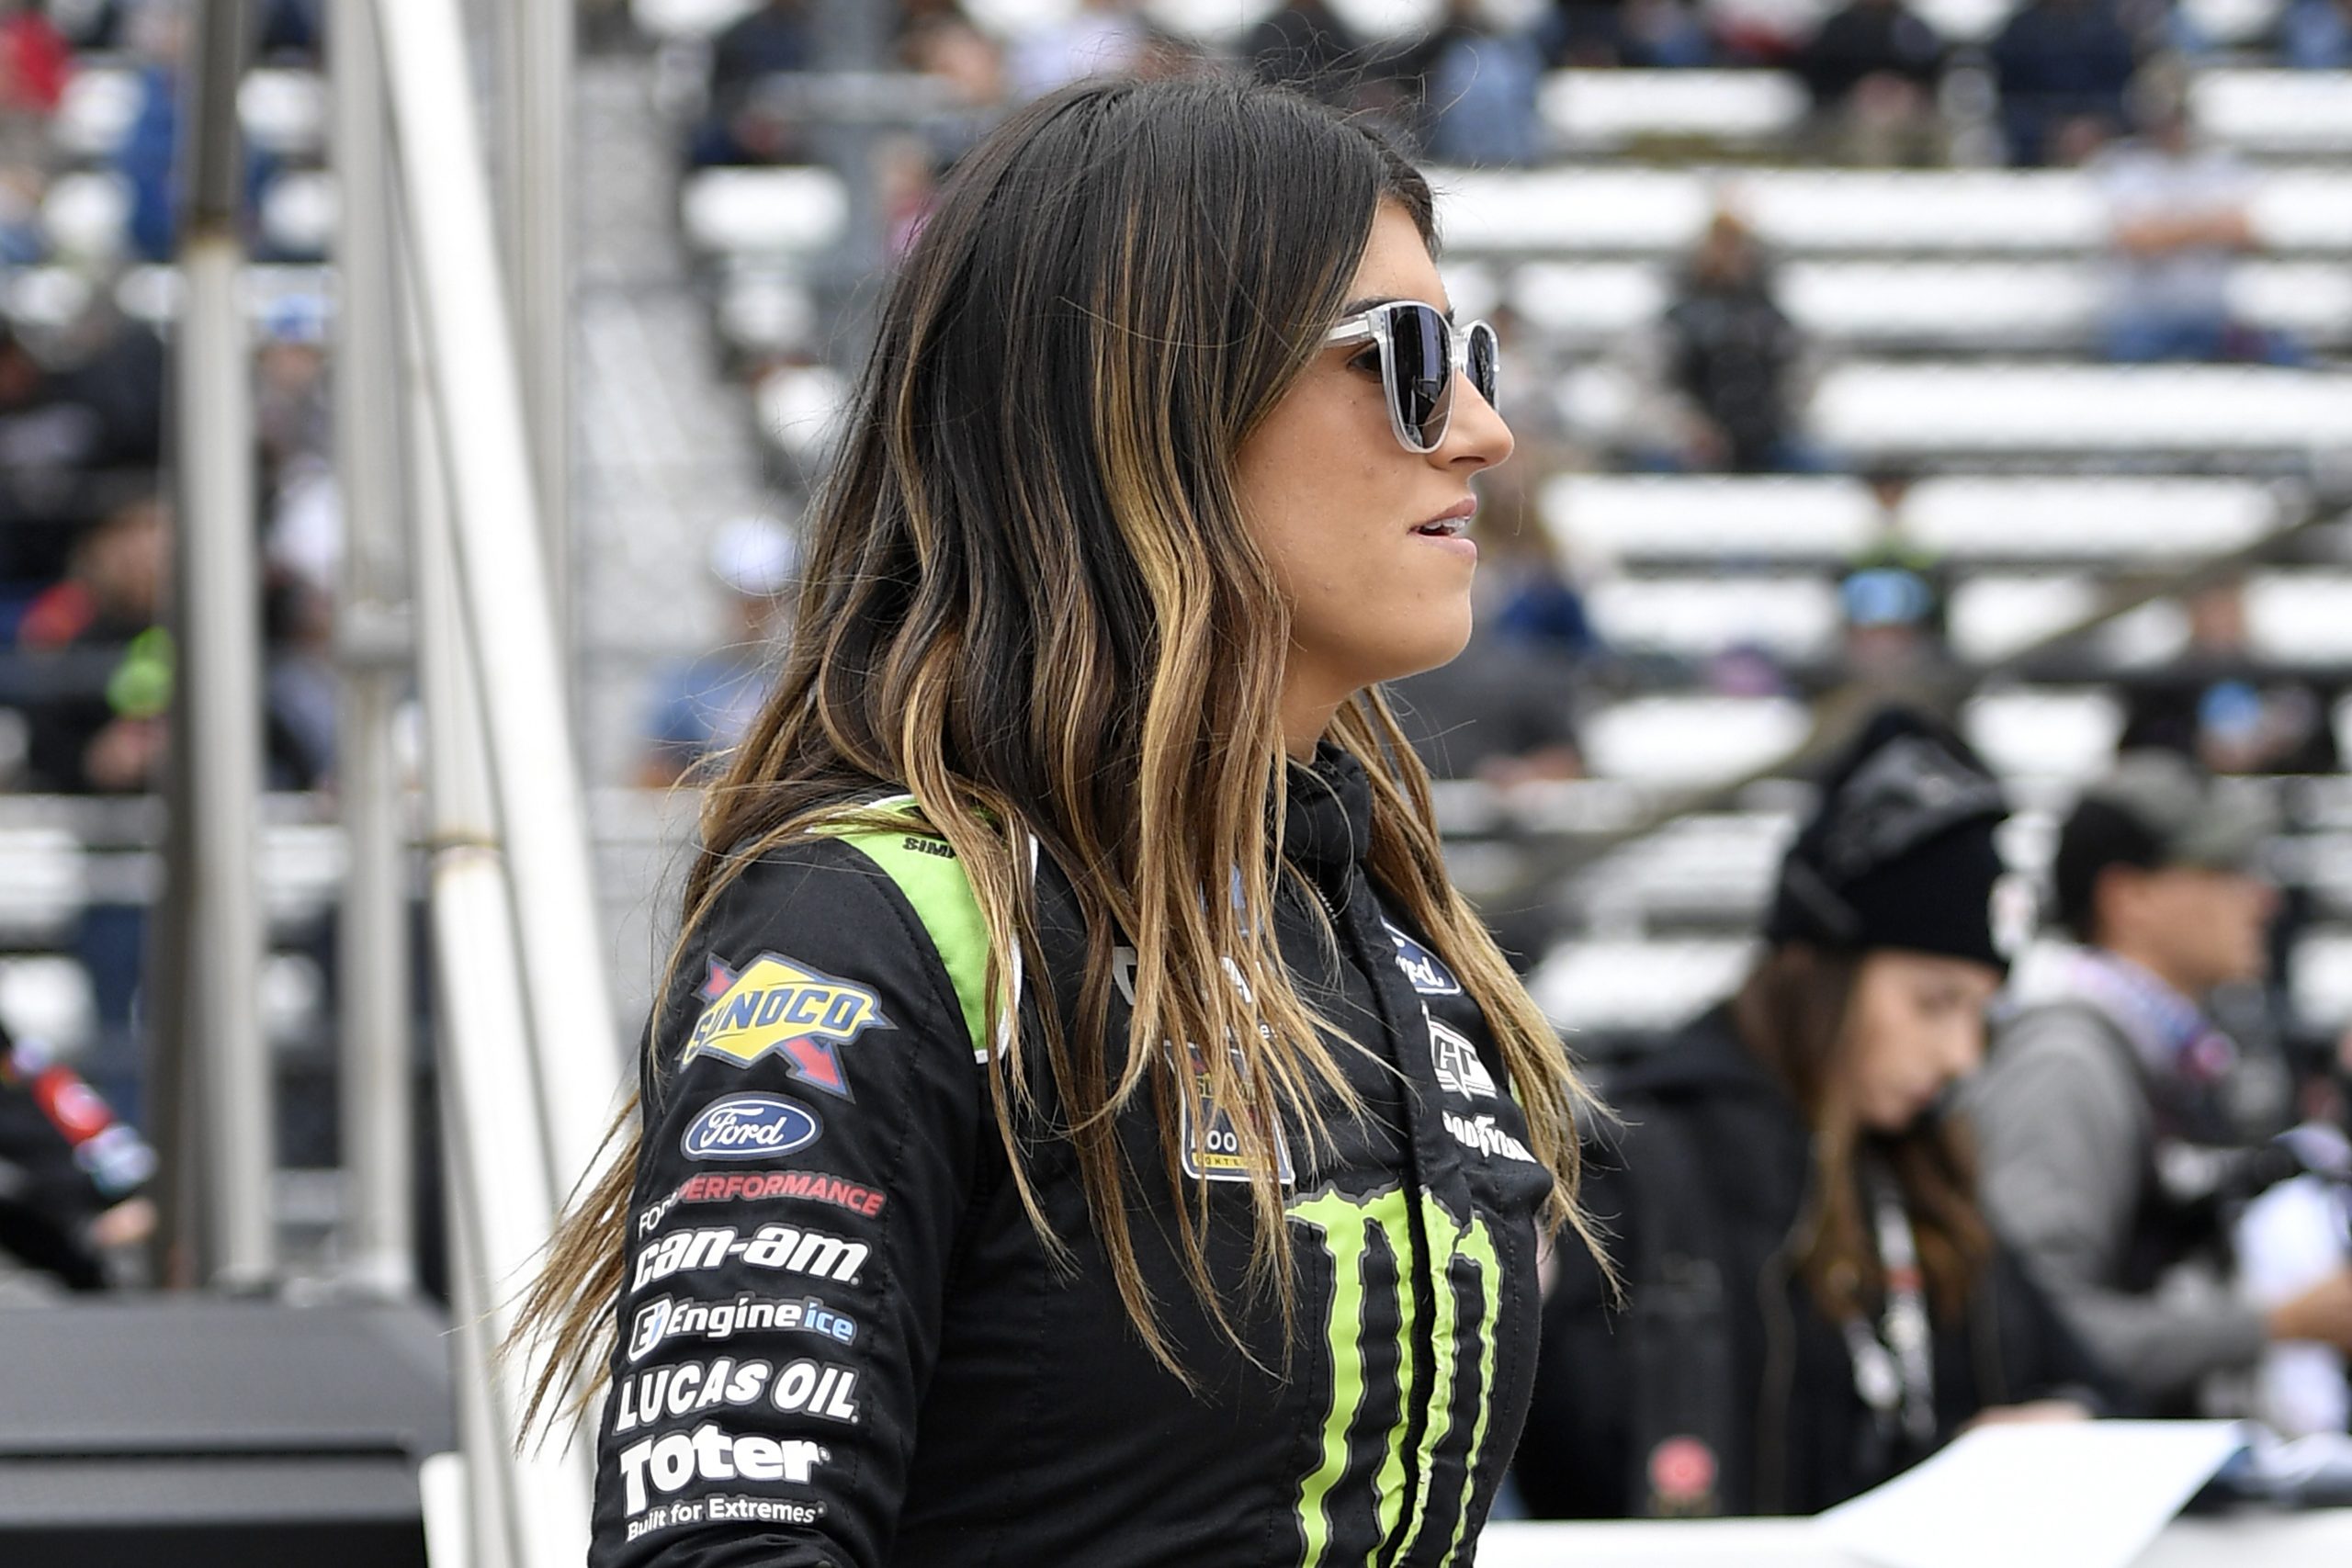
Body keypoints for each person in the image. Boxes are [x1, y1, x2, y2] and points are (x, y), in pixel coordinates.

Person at [514, 74, 1605, 1567]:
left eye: (1472, 358)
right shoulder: (876, 925)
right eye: (1408, 359)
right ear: (1153, 406)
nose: (1479, 429)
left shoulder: (1395, 941)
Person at [1516, 710, 2110, 1518]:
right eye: (1933, 1004)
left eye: (1981, 1014)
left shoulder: (1916, 1168)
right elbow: (1580, 1459)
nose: (1960, 1055)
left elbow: (2078, 1377)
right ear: (1814, 974)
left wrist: (2065, 1424)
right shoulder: (1641, 1166)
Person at [1971, 752, 2352, 1415]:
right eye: (2224, 869)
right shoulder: (2068, 1065)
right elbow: (2030, 1333)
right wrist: (2277, 1322)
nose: (2262, 898)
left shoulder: (2158, 1049)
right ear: (2130, 896)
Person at [637, 515, 798, 789]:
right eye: (742, 600)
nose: (752, 616)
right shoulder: (686, 682)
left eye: (764, 602)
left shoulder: (805, 679)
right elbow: (652, 775)